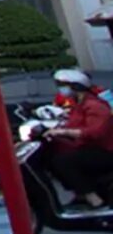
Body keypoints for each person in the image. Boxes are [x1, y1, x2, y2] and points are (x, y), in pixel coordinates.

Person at [46, 68, 113, 206]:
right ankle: (81, 192)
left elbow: (94, 132)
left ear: (76, 86)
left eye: (63, 85)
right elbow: (74, 123)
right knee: (53, 155)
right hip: (90, 148)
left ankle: (93, 198)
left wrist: (63, 132)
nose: (61, 89)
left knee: (63, 161)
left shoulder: (94, 105)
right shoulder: (79, 105)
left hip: (105, 152)